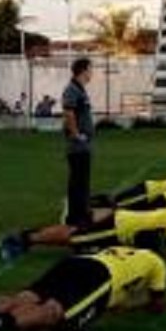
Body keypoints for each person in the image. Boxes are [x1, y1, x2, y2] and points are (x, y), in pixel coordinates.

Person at [0, 246, 166, 331]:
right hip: (100, 276)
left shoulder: (126, 251)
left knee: (28, 296)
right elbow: (158, 305)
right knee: (55, 314)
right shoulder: (157, 262)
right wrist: (136, 307)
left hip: (78, 262)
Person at [0, 206, 166, 262]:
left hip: (121, 226)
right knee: (74, 237)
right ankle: (23, 239)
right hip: (119, 227)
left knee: (76, 236)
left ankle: (29, 237)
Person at [62, 57, 95, 227]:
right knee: (77, 182)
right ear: (83, 70)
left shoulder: (80, 89)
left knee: (82, 181)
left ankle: (81, 212)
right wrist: (76, 135)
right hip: (78, 145)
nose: (92, 73)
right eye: (90, 69)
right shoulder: (72, 89)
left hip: (84, 144)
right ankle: (75, 217)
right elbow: (69, 113)